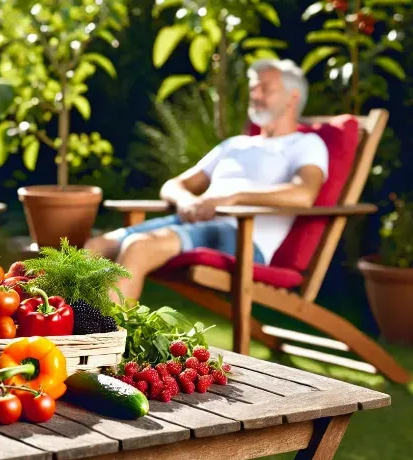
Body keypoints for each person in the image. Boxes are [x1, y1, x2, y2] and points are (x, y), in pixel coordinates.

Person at [85, 59, 330, 303]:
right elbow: (173, 185)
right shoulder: (236, 144)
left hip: (240, 236)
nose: (254, 93)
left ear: (292, 97)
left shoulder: (306, 144)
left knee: (139, 247)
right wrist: (187, 201)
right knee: (95, 247)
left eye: (265, 88)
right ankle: (59, 328)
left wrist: (234, 198)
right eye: (253, 87)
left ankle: (107, 340)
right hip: (194, 220)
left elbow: (303, 194)